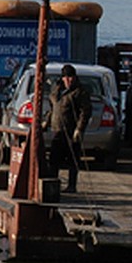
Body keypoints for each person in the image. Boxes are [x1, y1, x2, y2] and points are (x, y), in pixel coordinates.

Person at [46, 64, 93, 193]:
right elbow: (53, 107)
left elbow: (86, 112)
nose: (69, 80)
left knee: (72, 160)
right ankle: (52, 185)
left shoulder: (80, 92)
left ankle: (72, 186)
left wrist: (79, 129)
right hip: (58, 130)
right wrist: (47, 121)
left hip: (72, 131)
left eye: (72, 77)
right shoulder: (57, 90)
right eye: (67, 77)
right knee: (54, 159)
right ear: (63, 78)